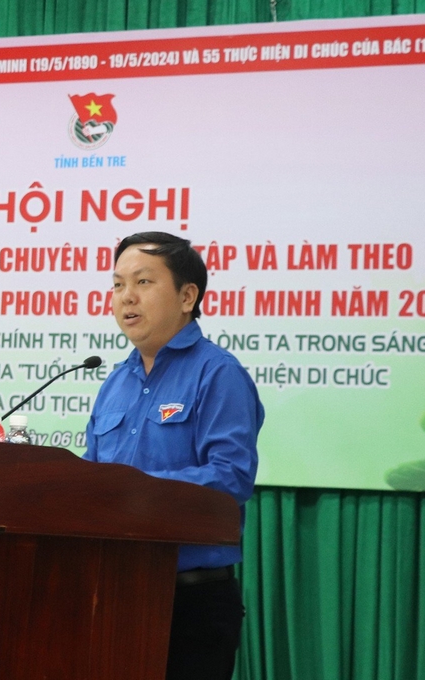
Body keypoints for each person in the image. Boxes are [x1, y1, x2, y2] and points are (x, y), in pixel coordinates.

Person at [83, 231, 264, 680]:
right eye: (118, 285)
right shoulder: (115, 382)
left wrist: (135, 492)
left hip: (190, 606)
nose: (127, 297)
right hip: (115, 593)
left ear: (187, 297)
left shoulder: (217, 373)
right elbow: (90, 479)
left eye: (143, 282)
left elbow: (230, 477)